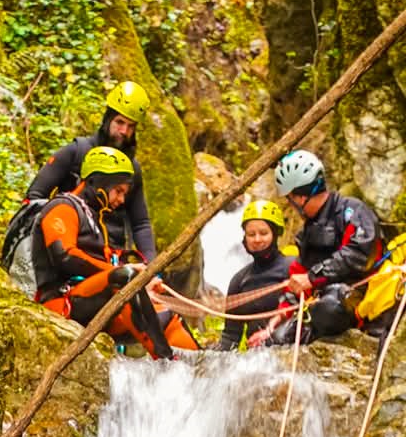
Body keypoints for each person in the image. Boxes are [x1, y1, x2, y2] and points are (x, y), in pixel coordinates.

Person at [30, 146, 197, 359]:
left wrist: (143, 281)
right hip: (62, 302)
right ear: (97, 182)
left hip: (96, 303)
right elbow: (65, 256)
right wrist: (128, 274)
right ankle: (166, 361)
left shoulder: (95, 220)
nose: (121, 200)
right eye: (118, 191)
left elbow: (108, 270)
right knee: (126, 278)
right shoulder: (62, 207)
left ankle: (201, 372)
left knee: (165, 315)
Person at [253, 149, 383, 346]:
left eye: (290, 198)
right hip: (321, 303)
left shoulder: (352, 212)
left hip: (359, 298)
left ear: (299, 198)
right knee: (274, 340)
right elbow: (298, 278)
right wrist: (274, 323)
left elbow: (359, 255)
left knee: (328, 309)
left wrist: (312, 278)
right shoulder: (308, 233)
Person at [26, 81, 157, 261]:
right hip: (68, 252)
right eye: (120, 122)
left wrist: (152, 267)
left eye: (131, 126)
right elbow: (34, 197)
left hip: (110, 258)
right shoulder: (75, 153)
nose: (124, 131)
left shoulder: (132, 170)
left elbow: (140, 223)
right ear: (108, 118)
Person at [215, 200, 293, 350]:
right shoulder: (239, 281)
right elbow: (230, 336)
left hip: (288, 350)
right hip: (255, 359)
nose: (257, 239)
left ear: (275, 234)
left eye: (263, 233)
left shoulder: (293, 270)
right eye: (251, 234)